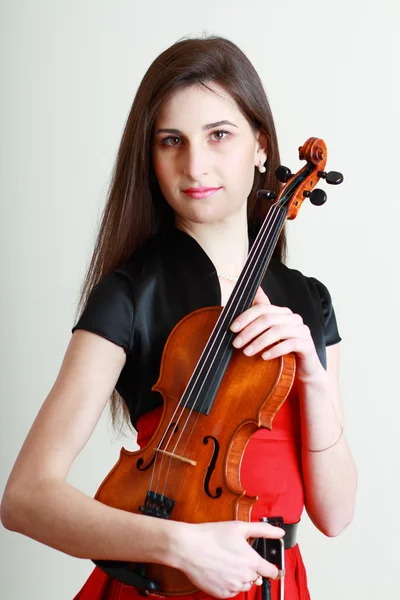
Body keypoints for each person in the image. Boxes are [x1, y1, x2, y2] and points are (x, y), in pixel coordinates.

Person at [1, 35, 357, 600]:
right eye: (172, 141)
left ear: (261, 146)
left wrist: (311, 376)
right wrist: (179, 545)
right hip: (156, 584)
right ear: (152, 155)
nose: (195, 165)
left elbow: (335, 514)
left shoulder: (308, 301)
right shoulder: (129, 295)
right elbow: (24, 497)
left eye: (219, 135)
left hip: (276, 587)